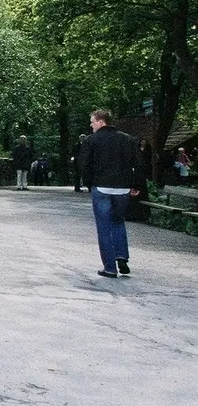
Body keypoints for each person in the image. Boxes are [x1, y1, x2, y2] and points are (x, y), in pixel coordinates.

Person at [79, 109, 140, 279]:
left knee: (104, 227)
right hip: (122, 188)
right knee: (118, 222)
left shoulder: (92, 140)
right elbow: (139, 163)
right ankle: (122, 256)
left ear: (101, 121)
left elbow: (84, 164)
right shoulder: (127, 139)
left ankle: (110, 267)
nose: (91, 125)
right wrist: (136, 185)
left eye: (92, 121)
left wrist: (89, 183)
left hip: (102, 186)